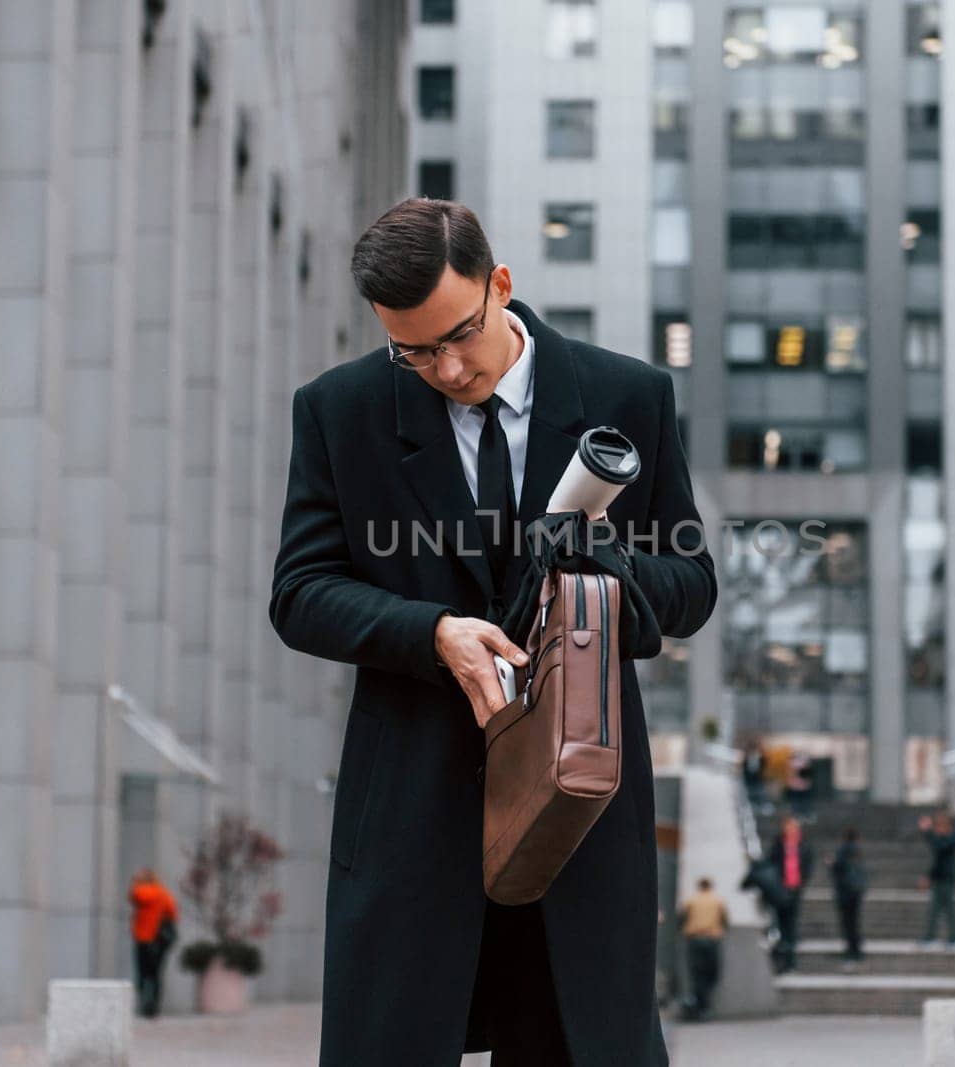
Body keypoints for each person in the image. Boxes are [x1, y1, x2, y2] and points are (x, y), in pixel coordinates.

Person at [270, 198, 717, 1066]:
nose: (443, 367)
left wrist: (605, 568)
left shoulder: (631, 396)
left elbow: (691, 586)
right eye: (413, 350)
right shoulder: (339, 410)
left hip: (577, 807)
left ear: (499, 284)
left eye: (458, 335)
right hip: (408, 812)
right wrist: (433, 631)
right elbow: (300, 591)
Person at [764, 814, 814, 973]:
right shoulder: (778, 844)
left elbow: (807, 865)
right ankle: (783, 959)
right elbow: (771, 863)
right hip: (780, 889)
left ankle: (790, 961)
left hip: (795, 889)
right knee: (781, 924)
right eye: (788, 826)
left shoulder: (804, 845)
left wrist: (801, 882)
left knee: (791, 926)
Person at [127, 868, 178, 1018]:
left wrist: (135, 883)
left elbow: (133, 896)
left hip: (144, 938)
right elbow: (173, 912)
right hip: (160, 940)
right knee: (156, 974)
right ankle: (154, 1006)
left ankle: (144, 1004)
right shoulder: (163, 893)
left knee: (142, 973)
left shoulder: (142, 891)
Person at [678, 878, 730, 1021]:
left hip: (694, 939)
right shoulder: (718, 901)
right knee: (712, 972)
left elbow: (682, 918)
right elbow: (725, 920)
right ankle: (704, 1007)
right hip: (712, 940)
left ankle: (699, 1005)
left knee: (697, 973)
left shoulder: (691, 901)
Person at [918, 809, 955, 948]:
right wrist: (929, 877)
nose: (937, 830)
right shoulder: (943, 839)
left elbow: (940, 847)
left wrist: (928, 832)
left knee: (949, 910)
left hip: (947, 879)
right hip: (939, 879)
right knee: (934, 910)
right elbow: (937, 861)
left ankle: (954, 939)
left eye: (939, 826)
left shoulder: (952, 839)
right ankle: (930, 937)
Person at [830, 828, 867, 964]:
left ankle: (852, 950)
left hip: (846, 892)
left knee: (848, 923)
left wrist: (832, 864)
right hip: (856, 891)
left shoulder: (843, 850)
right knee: (854, 922)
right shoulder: (858, 851)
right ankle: (856, 949)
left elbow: (838, 868)